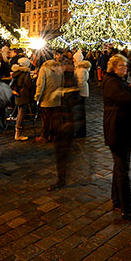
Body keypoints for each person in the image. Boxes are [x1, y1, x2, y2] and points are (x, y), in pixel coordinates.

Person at [102, 54, 131, 221]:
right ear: (113, 67)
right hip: (118, 130)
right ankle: (126, 208)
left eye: (125, 66)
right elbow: (127, 101)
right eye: (121, 66)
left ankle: (117, 199)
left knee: (119, 167)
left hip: (119, 129)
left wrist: (129, 87)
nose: (125, 68)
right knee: (123, 169)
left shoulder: (116, 81)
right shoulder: (112, 82)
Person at [49, 58, 81, 191]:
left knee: (62, 154)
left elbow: (73, 102)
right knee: (62, 154)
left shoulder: (68, 79)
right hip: (62, 121)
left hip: (65, 122)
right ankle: (62, 177)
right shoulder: (64, 78)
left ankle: (62, 178)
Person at [35, 59, 63, 143]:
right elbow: (63, 83)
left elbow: (40, 84)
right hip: (57, 97)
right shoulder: (59, 69)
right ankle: (54, 136)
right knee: (55, 118)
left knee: (46, 119)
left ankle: (45, 136)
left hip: (46, 98)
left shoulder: (44, 69)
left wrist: (37, 96)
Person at [11, 58, 34, 141]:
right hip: (23, 94)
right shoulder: (25, 73)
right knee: (22, 112)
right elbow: (28, 84)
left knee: (19, 111)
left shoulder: (16, 71)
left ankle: (18, 132)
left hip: (17, 93)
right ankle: (18, 133)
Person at [74, 60, 90, 137]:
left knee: (80, 112)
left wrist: (77, 90)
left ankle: (81, 132)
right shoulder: (82, 70)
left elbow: (81, 82)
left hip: (81, 92)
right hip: (83, 91)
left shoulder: (81, 70)